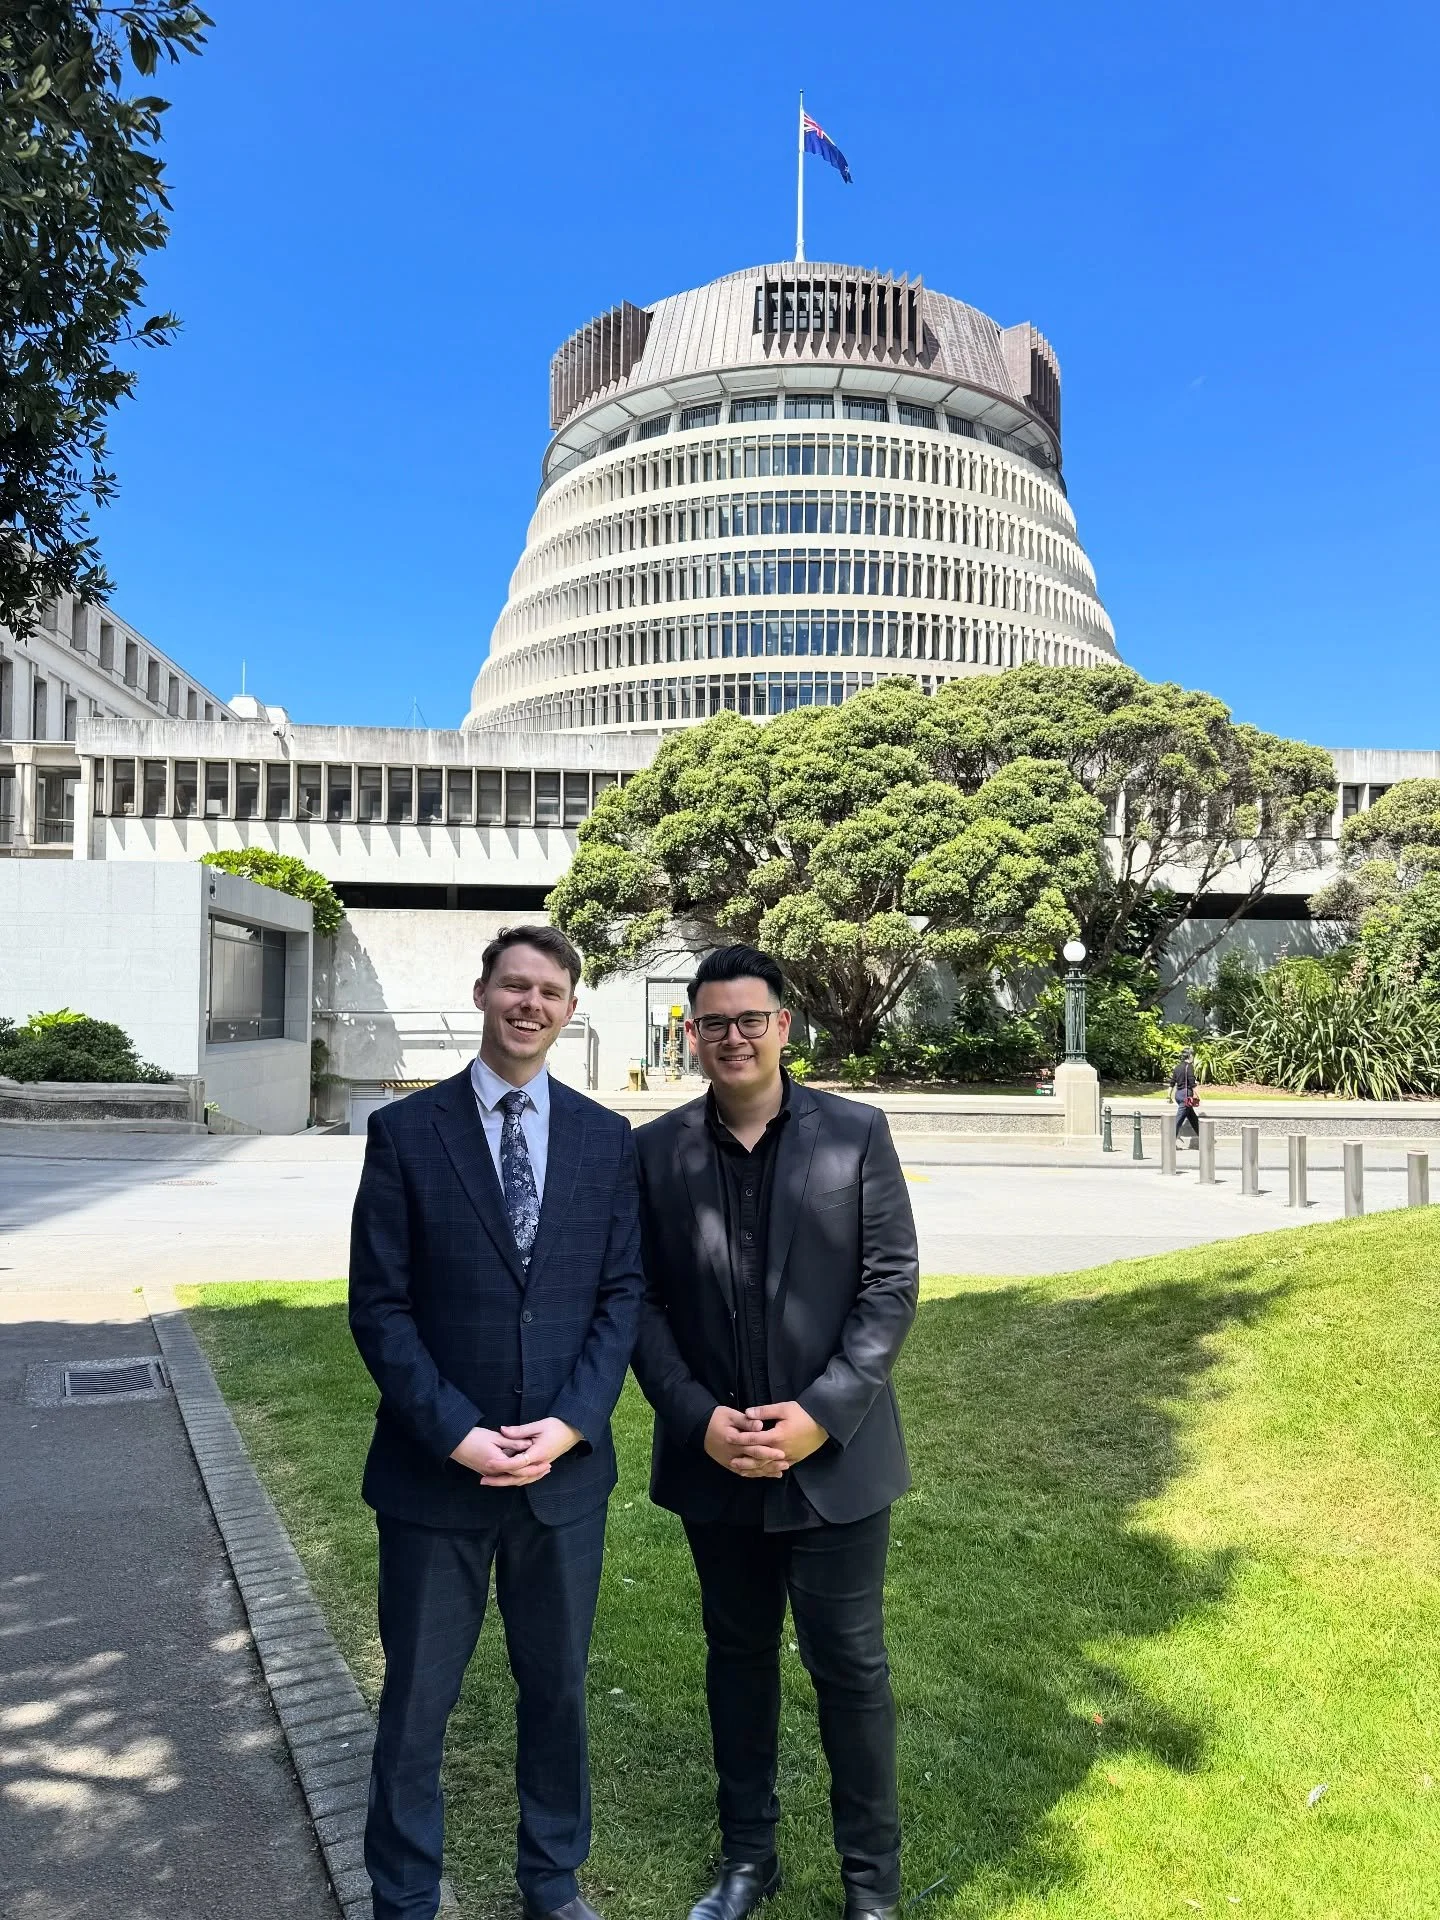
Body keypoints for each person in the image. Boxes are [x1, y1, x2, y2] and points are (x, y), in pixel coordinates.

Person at [349, 925, 643, 1920]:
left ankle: (552, 1882)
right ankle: (403, 1896)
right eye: (515, 985)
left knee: (556, 1693)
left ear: (570, 1009)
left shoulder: (606, 1139)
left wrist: (571, 1424)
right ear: (482, 993)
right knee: (416, 1703)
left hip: (562, 1480)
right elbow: (379, 1307)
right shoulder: (406, 1133)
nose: (530, 1004)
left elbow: (621, 1297)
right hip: (436, 1478)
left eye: (550, 992)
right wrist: (457, 1433)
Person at [631, 945, 919, 1920]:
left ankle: (871, 1887)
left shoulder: (856, 1134)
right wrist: (698, 1420)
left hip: (835, 1464)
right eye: (713, 1023)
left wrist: (819, 1416)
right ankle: (749, 1861)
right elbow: (640, 1302)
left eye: (750, 1019)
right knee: (738, 1659)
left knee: (851, 1668)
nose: (733, 1038)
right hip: (716, 1464)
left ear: (784, 1026)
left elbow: (889, 1287)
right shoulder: (655, 1152)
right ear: (692, 1034)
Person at [1171, 1046, 1201, 1147]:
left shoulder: (1177, 1067)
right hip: (1186, 1097)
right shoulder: (1189, 1067)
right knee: (1178, 1121)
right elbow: (1192, 1082)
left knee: (1193, 1118)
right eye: (1193, 1055)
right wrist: (1198, 1095)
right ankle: (1169, 1142)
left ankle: (1204, 1138)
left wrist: (1168, 1096)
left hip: (1179, 1095)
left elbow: (1172, 1082)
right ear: (1190, 1055)